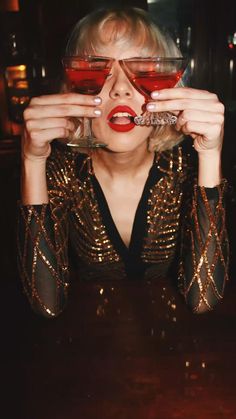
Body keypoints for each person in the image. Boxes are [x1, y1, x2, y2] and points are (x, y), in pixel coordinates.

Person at [17, 7, 229, 318]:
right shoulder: (61, 172)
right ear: (75, 89)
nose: (119, 87)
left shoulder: (188, 170)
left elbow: (204, 299)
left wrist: (211, 155)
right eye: (98, 70)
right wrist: (31, 160)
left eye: (141, 68)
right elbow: (46, 303)